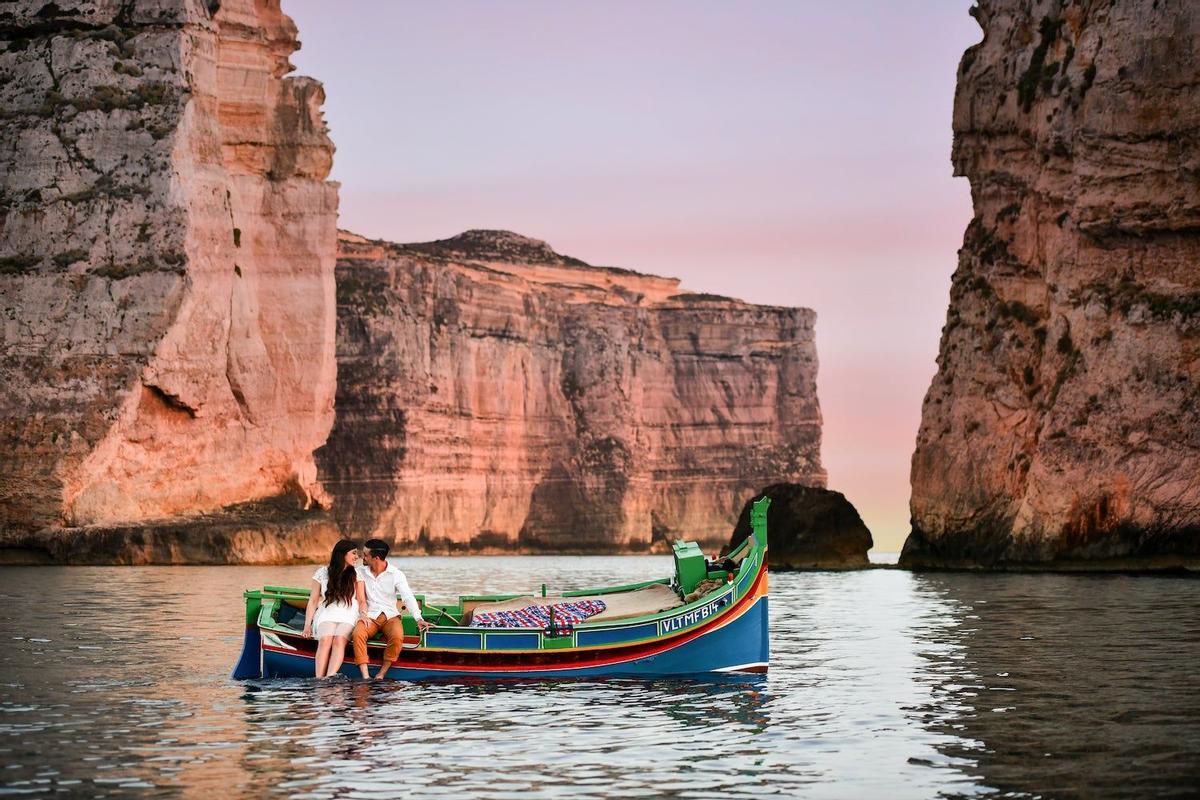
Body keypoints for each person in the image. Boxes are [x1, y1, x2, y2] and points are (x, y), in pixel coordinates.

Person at [352, 538, 433, 680]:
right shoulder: (360, 572)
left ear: (376, 558)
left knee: (397, 637)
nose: (362, 558)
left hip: (390, 616)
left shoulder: (396, 574)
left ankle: (381, 674)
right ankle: (365, 676)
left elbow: (407, 596)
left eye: (365, 555)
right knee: (358, 634)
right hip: (369, 615)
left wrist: (418, 618)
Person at [303, 539, 366, 679]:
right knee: (325, 639)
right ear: (342, 554)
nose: (357, 557)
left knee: (338, 640)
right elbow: (313, 601)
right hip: (327, 612)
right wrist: (307, 625)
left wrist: (363, 614)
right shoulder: (322, 572)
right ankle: (319, 679)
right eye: (354, 553)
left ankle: (330, 677)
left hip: (349, 613)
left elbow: (362, 600)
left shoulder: (356, 574)